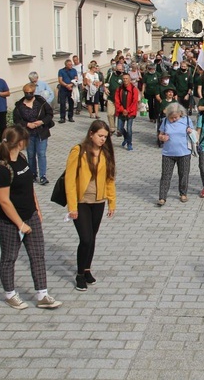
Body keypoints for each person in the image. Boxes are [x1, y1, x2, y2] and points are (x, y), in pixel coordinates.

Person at [0, 125, 62, 310]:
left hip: (30, 215)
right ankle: (10, 294)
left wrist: (37, 209)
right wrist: (20, 224)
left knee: (38, 255)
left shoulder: (21, 159)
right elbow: (4, 201)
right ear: (20, 142)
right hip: (9, 221)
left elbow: (29, 187)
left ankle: (42, 295)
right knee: (9, 257)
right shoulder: (0, 168)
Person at [64, 120, 116, 291]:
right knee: (85, 239)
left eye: (105, 137)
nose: (103, 139)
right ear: (91, 134)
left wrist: (111, 202)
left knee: (92, 238)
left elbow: (110, 179)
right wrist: (72, 207)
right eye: (100, 136)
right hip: (81, 201)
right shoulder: (78, 151)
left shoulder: (105, 153)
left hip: (98, 201)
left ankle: (87, 269)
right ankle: (79, 274)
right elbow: (70, 180)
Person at [13, 83, 54, 186]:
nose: (28, 95)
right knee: (31, 155)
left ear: (33, 92)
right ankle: (32, 174)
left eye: (30, 93)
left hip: (41, 132)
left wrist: (41, 122)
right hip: (28, 133)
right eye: (26, 93)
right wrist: (27, 124)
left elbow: (50, 114)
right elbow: (16, 120)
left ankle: (43, 175)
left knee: (41, 154)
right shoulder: (19, 105)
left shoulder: (41, 102)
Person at [157, 103, 193, 206]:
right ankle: (162, 197)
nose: (173, 119)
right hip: (168, 153)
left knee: (184, 174)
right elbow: (160, 135)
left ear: (181, 114)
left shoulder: (186, 120)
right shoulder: (164, 121)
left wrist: (190, 131)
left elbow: (194, 134)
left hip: (184, 152)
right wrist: (162, 138)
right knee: (165, 175)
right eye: (171, 117)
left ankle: (183, 194)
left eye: (175, 117)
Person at [114, 73, 139, 151]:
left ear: (130, 79)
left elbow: (134, 102)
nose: (125, 80)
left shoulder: (134, 89)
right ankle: (126, 138)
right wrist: (122, 110)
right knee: (120, 128)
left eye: (126, 78)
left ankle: (129, 143)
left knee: (129, 129)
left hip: (130, 112)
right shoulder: (119, 89)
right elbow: (117, 100)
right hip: (121, 111)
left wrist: (127, 111)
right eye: (124, 78)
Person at [104, 62, 125, 134]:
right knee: (110, 113)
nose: (120, 70)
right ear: (115, 69)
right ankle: (112, 128)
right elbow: (106, 83)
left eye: (121, 69)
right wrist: (105, 88)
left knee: (119, 114)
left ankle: (119, 129)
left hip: (120, 100)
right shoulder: (110, 75)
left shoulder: (124, 77)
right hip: (111, 98)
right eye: (118, 69)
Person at [57, 59, 78, 123]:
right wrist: (66, 85)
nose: (71, 66)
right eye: (69, 65)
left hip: (71, 89)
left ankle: (70, 116)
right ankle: (62, 117)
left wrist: (71, 85)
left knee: (71, 103)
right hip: (63, 89)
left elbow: (76, 79)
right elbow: (60, 80)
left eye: (71, 64)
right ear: (66, 65)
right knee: (62, 103)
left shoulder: (74, 70)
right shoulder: (61, 71)